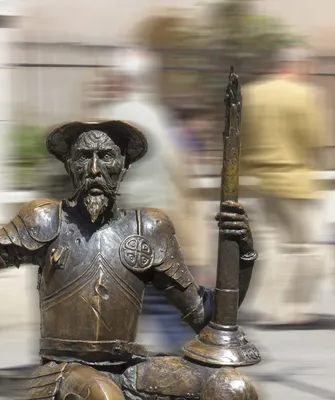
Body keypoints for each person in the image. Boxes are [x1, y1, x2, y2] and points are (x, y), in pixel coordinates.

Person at [0, 120, 257, 399]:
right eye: (83, 157)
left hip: (129, 367)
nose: (94, 169)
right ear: (69, 165)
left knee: (232, 388)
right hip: (61, 372)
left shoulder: (150, 228)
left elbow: (207, 317)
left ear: (124, 166)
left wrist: (243, 254)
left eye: (106, 157)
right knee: (101, 395)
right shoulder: (45, 220)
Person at [93, 49, 210, 354]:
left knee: (109, 312)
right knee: (166, 309)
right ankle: (192, 373)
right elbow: (181, 178)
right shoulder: (160, 117)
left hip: (119, 230)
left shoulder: (105, 120)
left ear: (117, 79)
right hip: (158, 226)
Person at [240, 46, 332, 328]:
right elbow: (317, 138)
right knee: (305, 246)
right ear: (300, 65)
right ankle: (295, 308)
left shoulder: (253, 93)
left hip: (259, 179)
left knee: (273, 246)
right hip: (295, 179)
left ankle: (269, 307)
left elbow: (239, 135)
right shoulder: (307, 94)